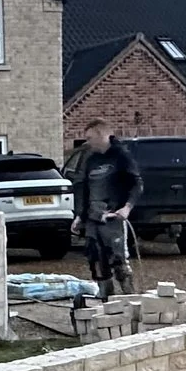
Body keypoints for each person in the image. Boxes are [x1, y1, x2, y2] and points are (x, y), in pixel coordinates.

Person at [72, 128, 142, 298]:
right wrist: (80, 216)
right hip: (92, 218)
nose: (87, 142)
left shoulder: (121, 156)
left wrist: (127, 207)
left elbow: (136, 184)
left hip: (113, 217)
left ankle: (130, 301)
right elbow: (83, 188)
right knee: (95, 260)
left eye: (90, 138)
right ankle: (106, 302)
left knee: (118, 261)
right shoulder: (90, 160)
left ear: (101, 135)